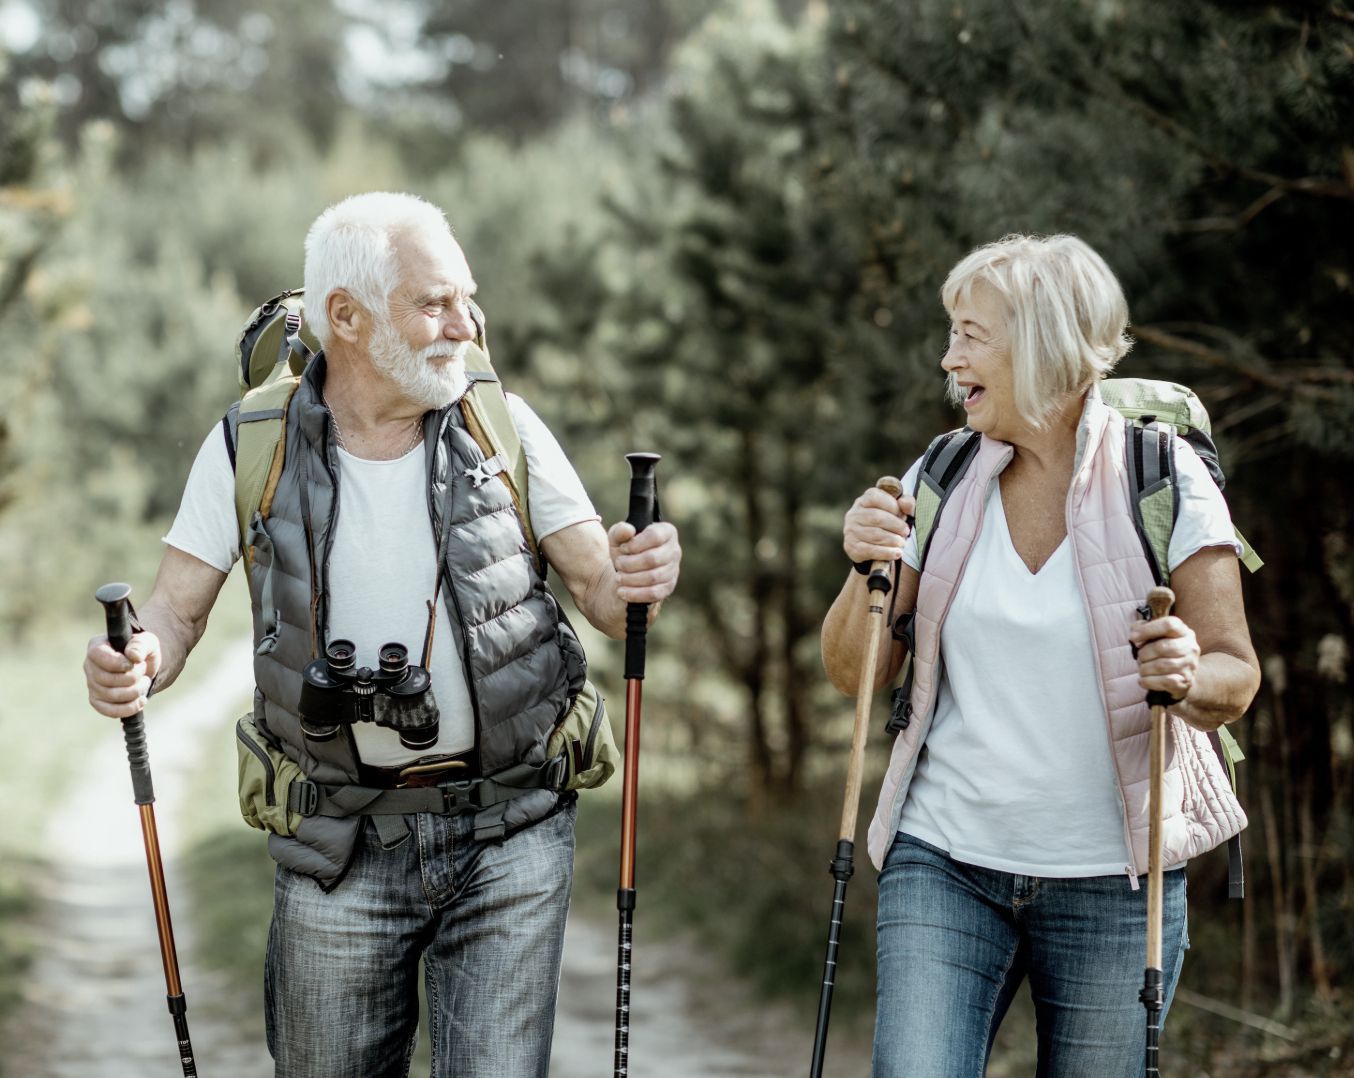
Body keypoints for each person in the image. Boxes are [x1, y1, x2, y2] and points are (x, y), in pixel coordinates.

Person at [82, 191, 682, 1078]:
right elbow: (173, 612)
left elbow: (601, 586)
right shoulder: (251, 443)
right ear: (346, 316)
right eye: (435, 302)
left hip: (510, 831)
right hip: (337, 841)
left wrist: (641, 572)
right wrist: (136, 661)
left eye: (466, 299)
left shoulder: (499, 421)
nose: (464, 325)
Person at [821, 233, 1260, 1077]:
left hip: (1115, 882)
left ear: (1045, 341)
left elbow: (1234, 675)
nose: (949, 359)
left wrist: (1183, 671)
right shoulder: (941, 474)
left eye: (970, 334)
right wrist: (862, 570)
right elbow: (854, 672)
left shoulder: (1160, 475)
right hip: (945, 860)